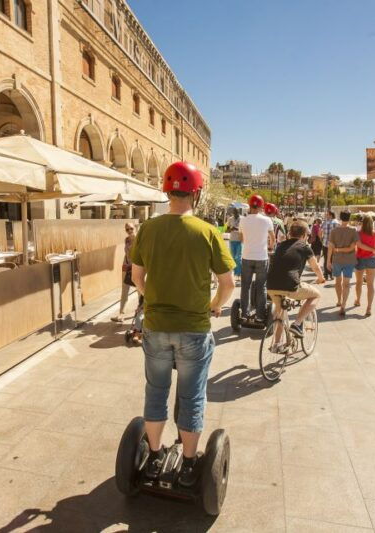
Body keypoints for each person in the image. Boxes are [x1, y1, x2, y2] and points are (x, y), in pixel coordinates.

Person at [130, 161, 235, 487]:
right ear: (197, 193)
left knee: (156, 391)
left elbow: (137, 277)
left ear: (166, 190)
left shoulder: (148, 228)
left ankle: (156, 455)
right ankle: (189, 465)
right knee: (192, 396)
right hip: (194, 328)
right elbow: (228, 283)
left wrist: (153, 300)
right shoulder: (207, 232)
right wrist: (213, 307)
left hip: (157, 325)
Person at [266, 219, 325, 351]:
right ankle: (297, 324)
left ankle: (276, 345)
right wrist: (321, 278)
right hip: (290, 285)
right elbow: (315, 266)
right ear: (305, 235)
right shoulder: (305, 247)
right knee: (316, 295)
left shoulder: (281, 245)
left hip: (270, 285)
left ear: (289, 234)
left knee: (280, 311)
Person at [239, 195, 275, 324]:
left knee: (245, 286)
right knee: (261, 286)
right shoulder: (267, 220)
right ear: (261, 206)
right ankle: (260, 316)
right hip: (261, 257)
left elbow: (241, 239)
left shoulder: (243, 220)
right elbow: (273, 238)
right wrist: (270, 247)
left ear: (249, 205)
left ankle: (244, 314)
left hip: (247, 256)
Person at [327, 211, 358, 317]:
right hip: (349, 260)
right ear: (349, 218)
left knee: (337, 281)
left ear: (340, 218)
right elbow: (353, 247)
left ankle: (339, 300)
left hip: (337, 260)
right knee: (346, 283)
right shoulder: (353, 231)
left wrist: (328, 261)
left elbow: (330, 247)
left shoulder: (334, 231)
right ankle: (343, 305)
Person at [354, 215, 375, 317]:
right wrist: (372, 250)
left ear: (362, 222)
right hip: (371, 260)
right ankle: (369, 307)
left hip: (360, 259)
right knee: (370, 284)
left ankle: (357, 300)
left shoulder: (358, 233)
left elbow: (359, 245)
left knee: (358, 282)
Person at [112, 222, 137, 322]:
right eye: (127, 229)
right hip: (126, 267)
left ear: (135, 228)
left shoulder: (139, 239)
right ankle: (121, 314)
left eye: (131, 228)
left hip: (136, 267)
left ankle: (140, 313)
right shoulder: (127, 240)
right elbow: (127, 254)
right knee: (124, 290)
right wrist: (125, 264)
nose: (129, 231)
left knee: (139, 291)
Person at [320, 211, 339, 281]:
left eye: (327, 215)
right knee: (332, 259)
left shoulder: (325, 222)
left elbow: (320, 232)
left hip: (325, 243)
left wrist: (321, 239)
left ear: (331, 215)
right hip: (334, 244)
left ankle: (325, 275)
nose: (326, 216)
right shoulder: (337, 222)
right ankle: (331, 274)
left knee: (326, 259)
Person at [225, 208, 243, 281]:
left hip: (239, 240)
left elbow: (244, 229)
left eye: (237, 212)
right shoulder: (230, 219)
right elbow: (227, 229)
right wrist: (231, 229)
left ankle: (238, 274)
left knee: (238, 258)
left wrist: (237, 229)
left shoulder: (242, 219)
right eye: (234, 212)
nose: (235, 214)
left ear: (238, 212)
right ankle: (235, 273)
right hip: (232, 240)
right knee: (233, 257)